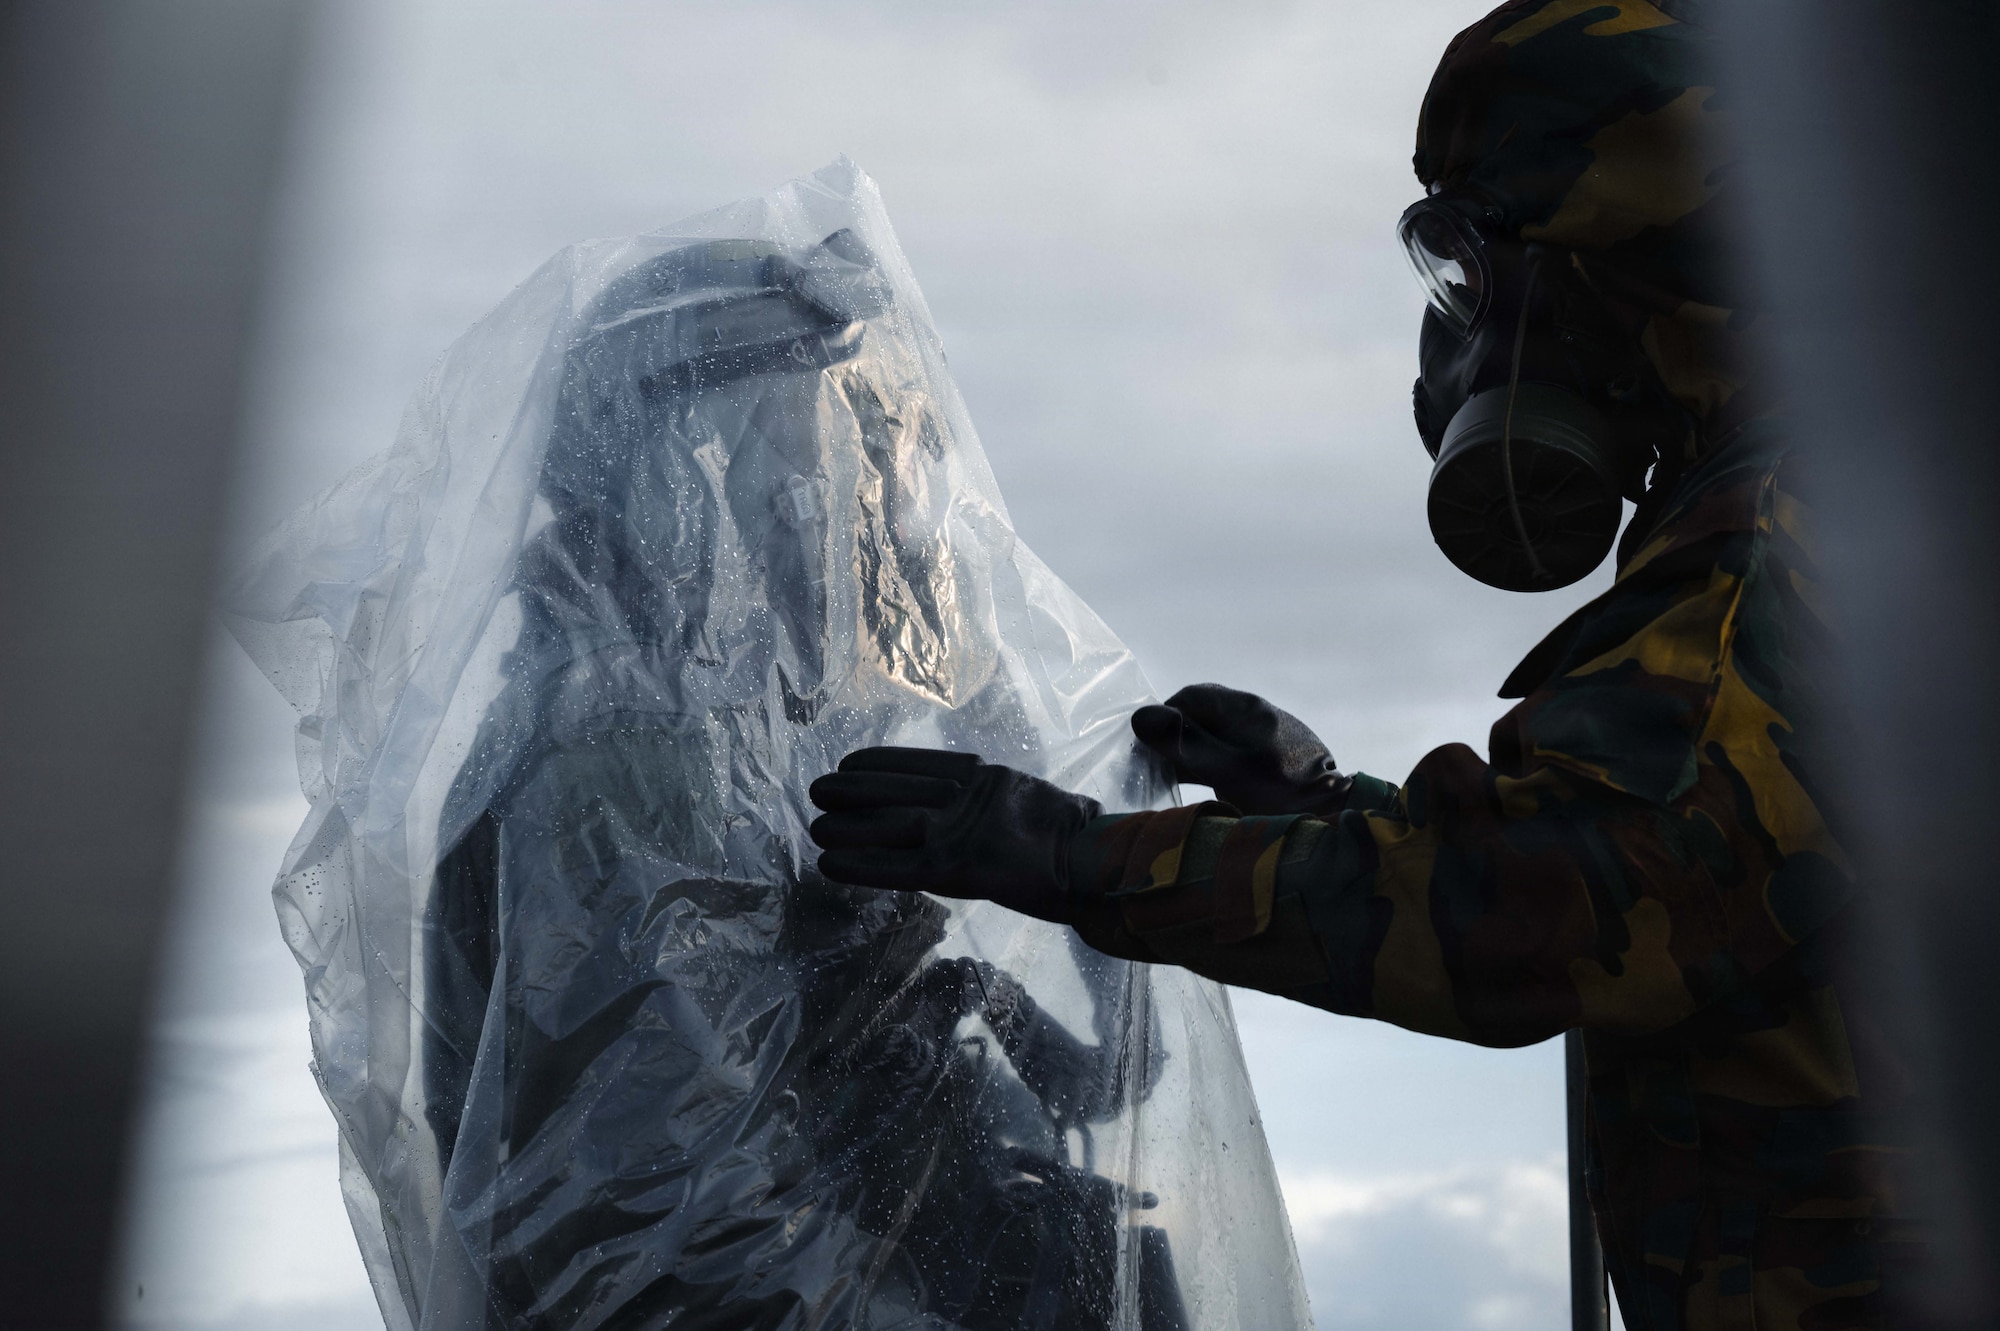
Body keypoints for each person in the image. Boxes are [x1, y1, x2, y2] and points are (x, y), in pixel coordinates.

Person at [807, 4, 1924, 1327]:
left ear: (1614, 254)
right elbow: (1667, 848)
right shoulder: (1837, 494)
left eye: (1473, 269)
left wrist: (1074, 856)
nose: (1458, 337)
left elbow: (1573, 902)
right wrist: (1320, 809)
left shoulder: (1785, 538)